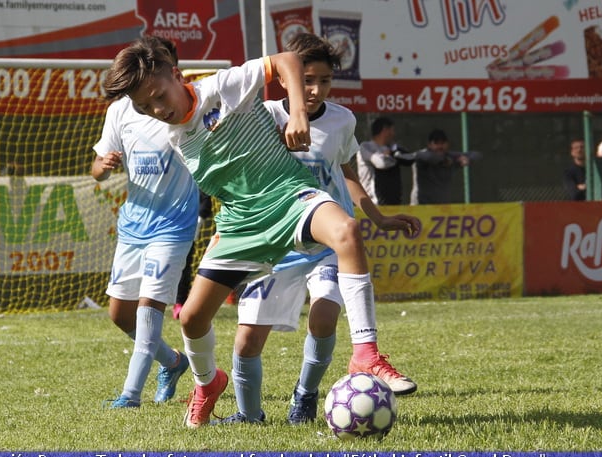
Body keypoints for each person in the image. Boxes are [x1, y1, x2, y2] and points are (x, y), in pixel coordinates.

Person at [102, 36, 418, 428]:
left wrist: (299, 111)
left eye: (158, 96)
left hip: (288, 197)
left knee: (348, 232)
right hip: (241, 223)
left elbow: (285, 59)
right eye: (144, 106)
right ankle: (208, 382)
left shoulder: (220, 87)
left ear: (177, 76)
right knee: (192, 320)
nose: (157, 109)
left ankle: (365, 353)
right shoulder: (173, 135)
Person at [216, 33, 419, 425]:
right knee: (246, 340)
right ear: (286, 79)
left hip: (327, 243)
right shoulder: (264, 116)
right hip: (276, 242)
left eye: (324, 81)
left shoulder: (343, 119)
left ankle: (305, 395)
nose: (314, 89)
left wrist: (378, 218)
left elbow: (346, 174)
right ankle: (248, 414)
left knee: (323, 317)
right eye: (306, 79)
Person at [91, 36, 195, 409]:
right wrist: (102, 167)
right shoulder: (120, 112)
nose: (154, 105)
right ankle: (173, 362)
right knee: (120, 315)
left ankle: (130, 395)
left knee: (149, 309)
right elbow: (97, 168)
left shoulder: (186, 108)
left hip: (174, 225)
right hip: (134, 225)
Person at [405, 129, 479, 205]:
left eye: (443, 143)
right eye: (436, 143)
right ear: (429, 145)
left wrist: (467, 159)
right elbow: (427, 158)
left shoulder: (450, 156)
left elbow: (476, 154)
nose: (440, 146)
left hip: (442, 207)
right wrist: (444, 161)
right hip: (421, 205)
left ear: (447, 144)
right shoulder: (422, 155)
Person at [173, 190, 213, 320]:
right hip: (169, 226)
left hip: (189, 229)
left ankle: (180, 302)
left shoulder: (197, 181)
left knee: (185, 265)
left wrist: (199, 219)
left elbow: (206, 202)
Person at [356, 117, 412, 205]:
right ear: (385, 130)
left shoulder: (392, 148)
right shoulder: (366, 147)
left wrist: (392, 153)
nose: (394, 134)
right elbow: (381, 163)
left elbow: (410, 158)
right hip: (373, 202)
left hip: (393, 202)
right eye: (392, 130)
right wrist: (392, 156)